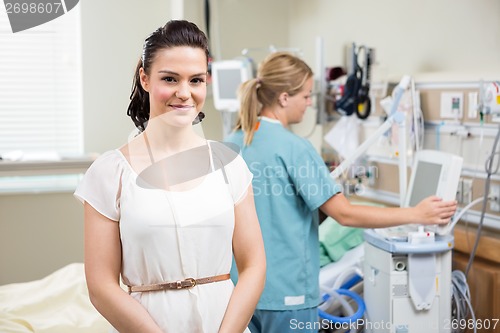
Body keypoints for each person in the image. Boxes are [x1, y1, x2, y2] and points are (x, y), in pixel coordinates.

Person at [226, 52, 458, 333]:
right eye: (307, 96)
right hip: (289, 295)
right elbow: (344, 214)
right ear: (284, 97)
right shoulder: (294, 148)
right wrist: (417, 213)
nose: (310, 104)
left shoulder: (230, 144)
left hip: (239, 293)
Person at [74, 20, 265, 333]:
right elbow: (101, 286)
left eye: (196, 80)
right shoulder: (110, 173)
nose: (184, 93)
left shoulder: (229, 166)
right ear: (145, 79)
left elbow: (254, 265)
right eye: (170, 79)